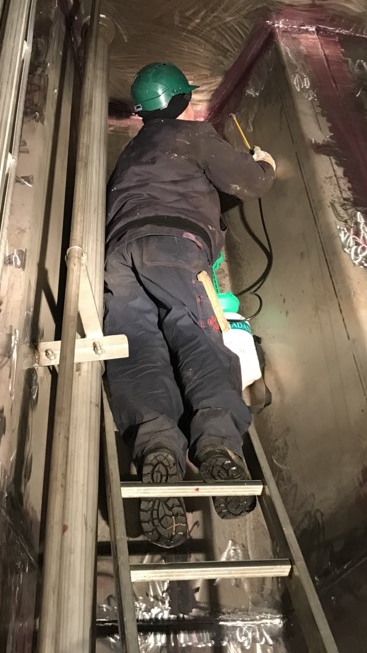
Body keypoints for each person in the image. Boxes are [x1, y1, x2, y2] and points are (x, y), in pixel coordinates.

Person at [104, 62, 276, 548]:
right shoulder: (193, 135)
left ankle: (157, 444)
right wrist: (264, 163)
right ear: (179, 100)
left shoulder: (130, 153)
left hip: (118, 258)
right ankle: (219, 444)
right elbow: (250, 184)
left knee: (137, 352)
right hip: (175, 249)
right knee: (198, 337)